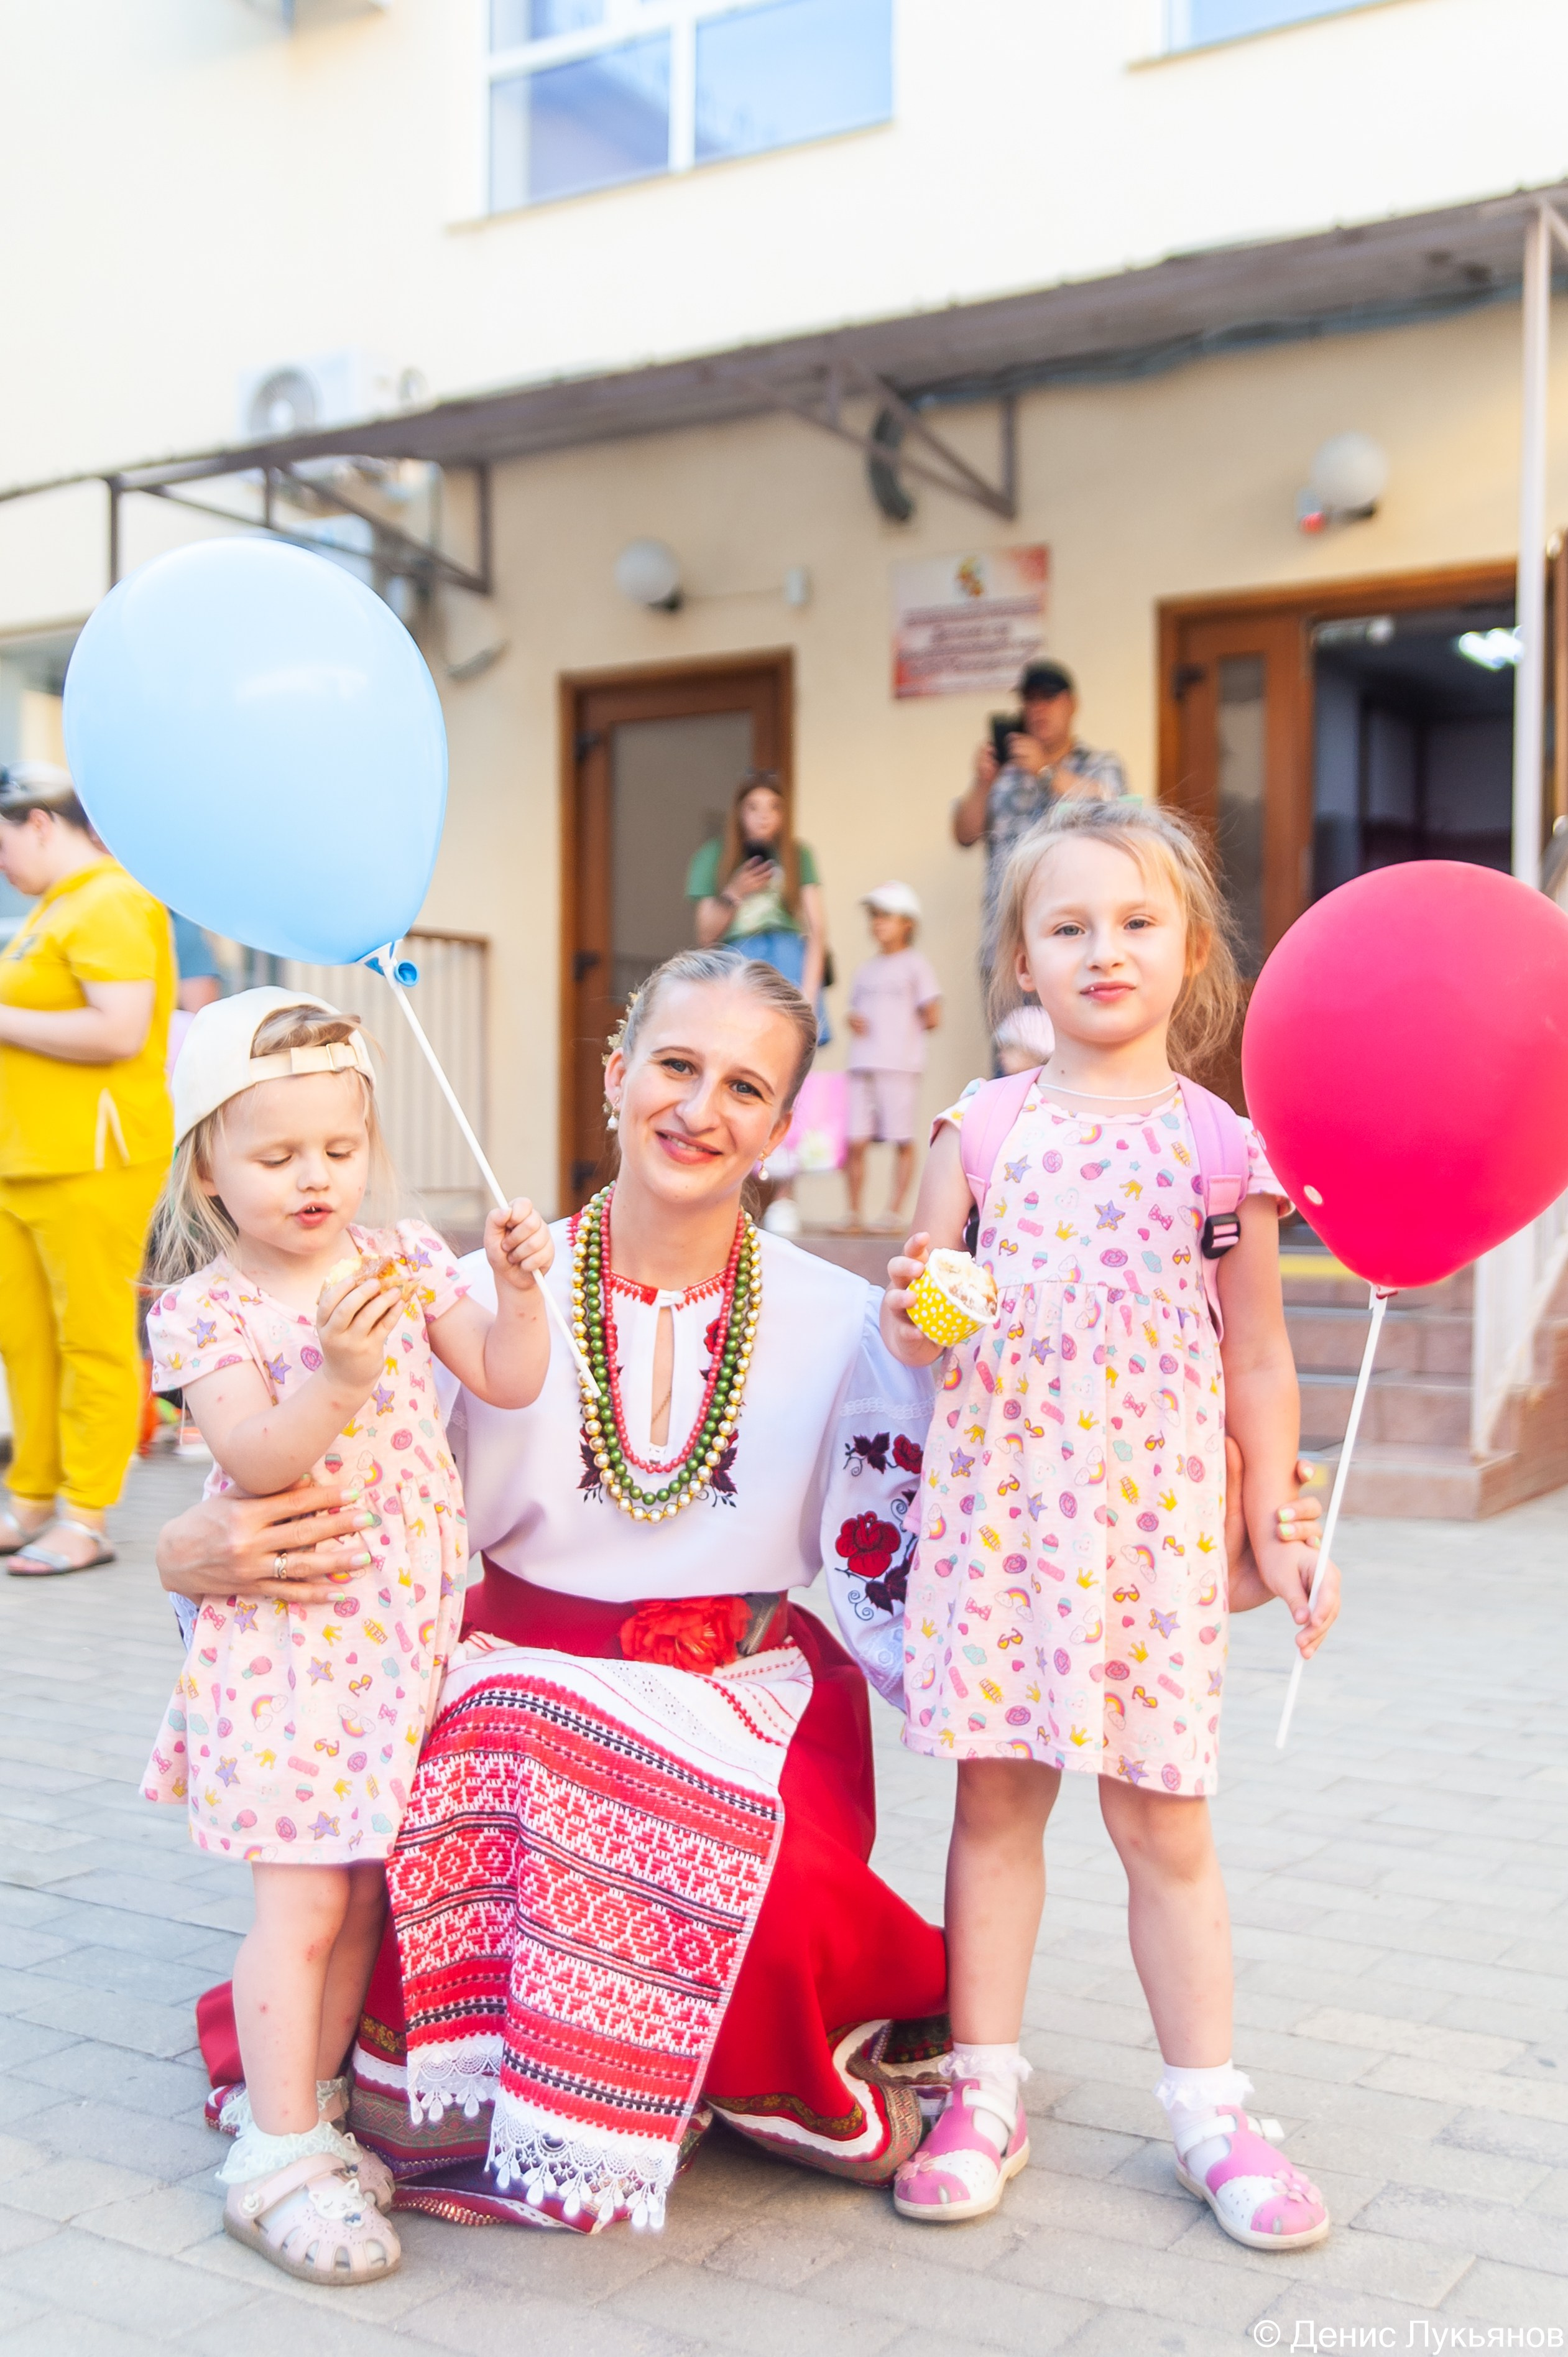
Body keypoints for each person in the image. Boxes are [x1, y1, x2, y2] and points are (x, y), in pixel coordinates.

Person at [155, 950, 948, 2236]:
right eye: (675, 1065)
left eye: (744, 1087)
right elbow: (313, 1467)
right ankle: (354, 2117)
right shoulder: (459, 1293)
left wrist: (1243, 1520)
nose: (699, 1107)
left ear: (781, 1128)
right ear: (614, 1075)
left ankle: (706, 2078)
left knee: (763, 1899)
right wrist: (179, 1551)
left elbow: (928, 1519)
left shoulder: (844, 1315)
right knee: (467, 1816)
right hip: (508, 1679)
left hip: (738, 1690)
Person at [882, 799, 1338, 2246]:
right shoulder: (982, 1128)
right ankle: (981, 2089)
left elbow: (1257, 1354)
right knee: (995, 1806)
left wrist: (1276, 1514)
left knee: (1163, 1819)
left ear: (1191, 949)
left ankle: (1210, 2107)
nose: (1103, 949)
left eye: (1138, 922)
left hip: (1151, 1536)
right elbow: (914, 1320)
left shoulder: (1221, 1148)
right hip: (1005, 1524)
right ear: (1022, 959)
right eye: (1067, 925)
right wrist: (919, 1309)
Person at [142, 986, 555, 2286]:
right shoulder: (205, 1309)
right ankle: (269, 2156)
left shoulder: (404, 1257)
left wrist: (520, 1291)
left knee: (366, 1889)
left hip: (397, 1643)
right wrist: (339, 1376)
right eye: (275, 1155)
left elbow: (507, 1375)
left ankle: (311, 2115)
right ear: (207, 1168)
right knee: (304, 1899)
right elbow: (258, 1456)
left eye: (339, 1145)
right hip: (289, 1643)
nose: (314, 1176)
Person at [0, 762, 175, 1577]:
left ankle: (87, 1514)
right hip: (28, 1158)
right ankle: (33, 1500)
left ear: (39, 823)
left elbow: (120, 1030)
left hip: (92, 1159)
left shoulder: (111, 901)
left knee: (90, 1338)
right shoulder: (55, 907)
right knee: (27, 1342)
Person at [688, 774, 828, 1238]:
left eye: (774, 807)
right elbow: (705, 932)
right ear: (739, 813)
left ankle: (784, 1196)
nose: (764, 816)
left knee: (790, 1083)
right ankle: (732, 1192)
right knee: (733, 1076)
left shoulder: (798, 855)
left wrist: (809, 995)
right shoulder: (715, 857)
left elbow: (818, 929)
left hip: (788, 965)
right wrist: (736, 891)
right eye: (754, 807)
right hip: (739, 966)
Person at [951, 660, 1129, 1003]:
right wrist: (982, 782)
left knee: (1074, 1039)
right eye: (1030, 700)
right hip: (1006, 948)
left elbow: (1115, 811)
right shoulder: (1005, 775)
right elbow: (964, 834)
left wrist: (1046, 772)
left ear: (1072, 705)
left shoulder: (1100, 765)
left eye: (1048, 698)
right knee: (1012, 1040)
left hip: (1079, 950)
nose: (1038, 709)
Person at [842, 881, 941, 1234]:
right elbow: (855, 1012)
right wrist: (855, 1021)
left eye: (886, 916)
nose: (877, 923)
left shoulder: (916, 965)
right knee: (854, 1139)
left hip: (899, 1066)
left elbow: (933, 1015)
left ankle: (893, 1213)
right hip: (862, 1063)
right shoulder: (866, 970)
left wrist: (900, 1031)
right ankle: (853, 1213)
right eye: (874, 916)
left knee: (901, 1137)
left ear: (907, 923)